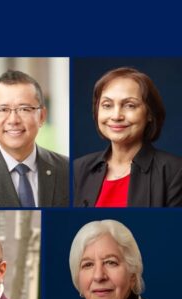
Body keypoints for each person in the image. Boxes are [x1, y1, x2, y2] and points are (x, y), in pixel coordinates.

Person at [74, 67, 182, 207]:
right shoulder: (77, 169)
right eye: (107, 105)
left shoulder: (175, 171)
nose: (116, 116)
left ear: (149, 113)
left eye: (130, 105)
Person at [0, 70, 69, 207]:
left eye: (24, 109)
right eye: (3, 110)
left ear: (42, 116)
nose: (13, 120)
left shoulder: (67, 170)